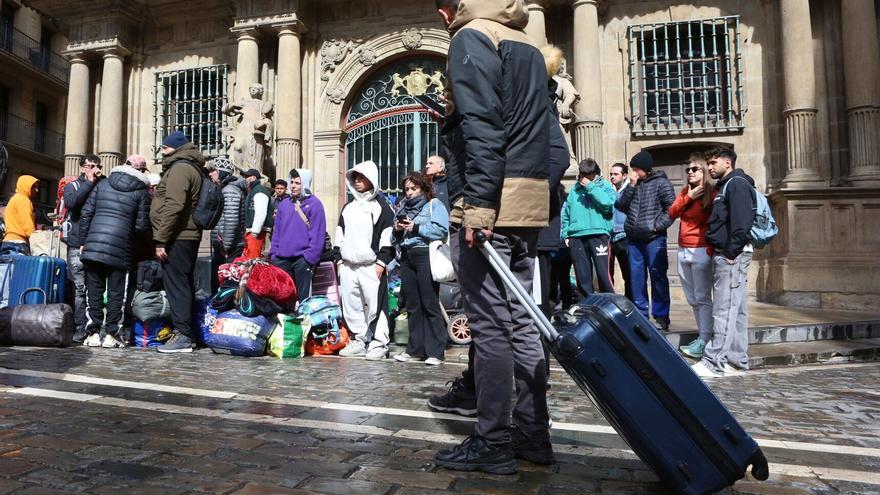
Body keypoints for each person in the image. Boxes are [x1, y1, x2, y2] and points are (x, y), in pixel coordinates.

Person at [432, 0, 553, 475]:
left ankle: (493, 441)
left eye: (444, 6)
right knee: (522, 322)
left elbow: (483, 126)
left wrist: (478, 207)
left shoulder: (473, 36)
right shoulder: (526, 42)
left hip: (493, 203)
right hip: (528, 200)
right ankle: (533, 434)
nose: (443, 17)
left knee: (490, 326)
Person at [692, 147, 756, 378]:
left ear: (727, 162)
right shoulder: (727, 185)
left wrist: (730, 253)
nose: (709, 167)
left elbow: (741, 222)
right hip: (731, 254)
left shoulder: (736, 184)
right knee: (736, 310)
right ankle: (737, 361)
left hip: (732, 256)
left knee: (724, 309)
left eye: (713, 162)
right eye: (708, 163)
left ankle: (714, 361)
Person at [78, 161, 152, 348]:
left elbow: (86, 213)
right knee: (117, 294)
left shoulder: (102, 184)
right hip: (121, 248)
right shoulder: (141, 192)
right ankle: (112, 334)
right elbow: (142, 226)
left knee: (93, 291)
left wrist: (84, 241)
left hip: (94, 246)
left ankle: (93, 333)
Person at [150, 130, 206, 353]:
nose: (162, 152)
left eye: (164, 148)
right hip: (184, 235)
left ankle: (183, 335)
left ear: (175, 148)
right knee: (182, 284)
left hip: (178, 236)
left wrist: (161, 239)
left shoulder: (180, 168)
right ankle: (185, 332)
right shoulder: (187, 166)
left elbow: (174, 205)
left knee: (177, 285)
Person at [334, 160, 395, 361]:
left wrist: (382, 262)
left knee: (376, 305)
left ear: (372, 180)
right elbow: (339, 234)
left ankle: (379, 343)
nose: (358, 181)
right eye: (355, 178)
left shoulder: (382, 208)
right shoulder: (348, 207)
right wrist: (339, 262)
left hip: (371, 265)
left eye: (362, 177)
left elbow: (388, 238)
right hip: (349, 265)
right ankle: (359, 339)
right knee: (352, 306)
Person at [391, 171, 449, 365]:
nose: (409, 192)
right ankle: (415, 349)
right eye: (407, 189)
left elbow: (441, 229)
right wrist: (398, 231)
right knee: (413, 305)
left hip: (425, 255)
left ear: (423, 188)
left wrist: (416, 228)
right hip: (407, 256)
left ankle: (435, 351)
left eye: (413, 188)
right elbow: (394, 239)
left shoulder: (434, 205)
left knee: (430, 303)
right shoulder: (401, 207)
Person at [614, 150, 675, 331]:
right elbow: (621, 205)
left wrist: (656, 226)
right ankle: (641, 314)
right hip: (634, 239)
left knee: (658, 277)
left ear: (646, 169)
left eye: (637, 169)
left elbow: (671, 209)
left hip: (654, 239)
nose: (634, 172)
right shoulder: (633, 185)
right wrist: (631, 186)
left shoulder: (662, 183)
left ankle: (661, 316)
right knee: (636, 278)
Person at [670, 154, 716, 360]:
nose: (690, 172)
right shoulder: (685, 192)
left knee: (702, 297)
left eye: (695, 169)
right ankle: (702, 337)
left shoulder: (711, 194)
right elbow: (672, 212)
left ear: (704, 172)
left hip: (701, 248)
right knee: (692, 298)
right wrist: (689, 197)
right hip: (683, 248)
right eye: (688, 169)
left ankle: (706, 339)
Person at [561, 158, 616, 297]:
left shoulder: (605, 187)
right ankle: (586, 308)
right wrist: (565, 234)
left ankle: (609, 306)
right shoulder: (574, 190)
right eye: (583, 174)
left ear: (595, 173)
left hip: (599, 235)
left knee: (604, 276)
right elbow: (566, 213)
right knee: (582, 277)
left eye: (588, 174)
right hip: (576, 237)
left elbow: (608, 204)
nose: (585, 177)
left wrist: (591, 187)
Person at [270, 169, 326, 302]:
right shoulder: (284, 204)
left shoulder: (315, 204)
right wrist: (274, 254)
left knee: (303, 301)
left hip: (302, 260)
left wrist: (309, 258)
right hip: (282, 259)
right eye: (292, 182)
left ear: (305, 184)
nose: (293, 185)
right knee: (282, 300)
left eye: (298, 183)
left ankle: (303, 323)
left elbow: (318, 234)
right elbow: (277, 231)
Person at [62, 155, 101, 342]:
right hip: (76, 244)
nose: (94, 169)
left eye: (97, 166)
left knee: (95, 287)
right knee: (79, 288)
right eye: (90, 166)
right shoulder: (73, 186)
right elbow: (72, 203)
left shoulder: (101, 186)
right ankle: (79, 327)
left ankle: (94, 326)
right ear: (83, 168)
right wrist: (89, 183)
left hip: (95, 243)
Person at [213, 158, 246, 263]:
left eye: (213, 171)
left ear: (221, 173)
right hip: (224, 243)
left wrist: (225, 247)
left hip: (229, 246)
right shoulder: (225, 188)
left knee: (226, 277)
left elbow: (231, 221)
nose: (210, 174)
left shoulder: (229, 190)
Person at [608, 162, 632, 301]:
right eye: (611, 174)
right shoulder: (608, 189)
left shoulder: (629, 190)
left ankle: (630, 301)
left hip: (624, 236)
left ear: (624, 175)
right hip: (609, 237)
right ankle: (610, 302)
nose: (612, 177)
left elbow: (624, 203)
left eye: (616, 174)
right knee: (607, 274)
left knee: (628, 273)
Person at [1, 175, 39, 256]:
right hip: (18, 244)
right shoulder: (24, 200)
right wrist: (36, 239)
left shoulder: (14, 199)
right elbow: (27, 224)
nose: (37, 190)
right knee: (21, 268)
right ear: (25, 186)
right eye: (33, 187)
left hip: (8, 241)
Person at [241, 168, 272, 259]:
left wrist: (255, 232)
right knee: (251, 261)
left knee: (254, 261)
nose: (245, 179)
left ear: (254, 178)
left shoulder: (259, 191)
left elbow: (261, 213)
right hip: (254, 232)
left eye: (247, 176)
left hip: (258, 233)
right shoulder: (253, 191)